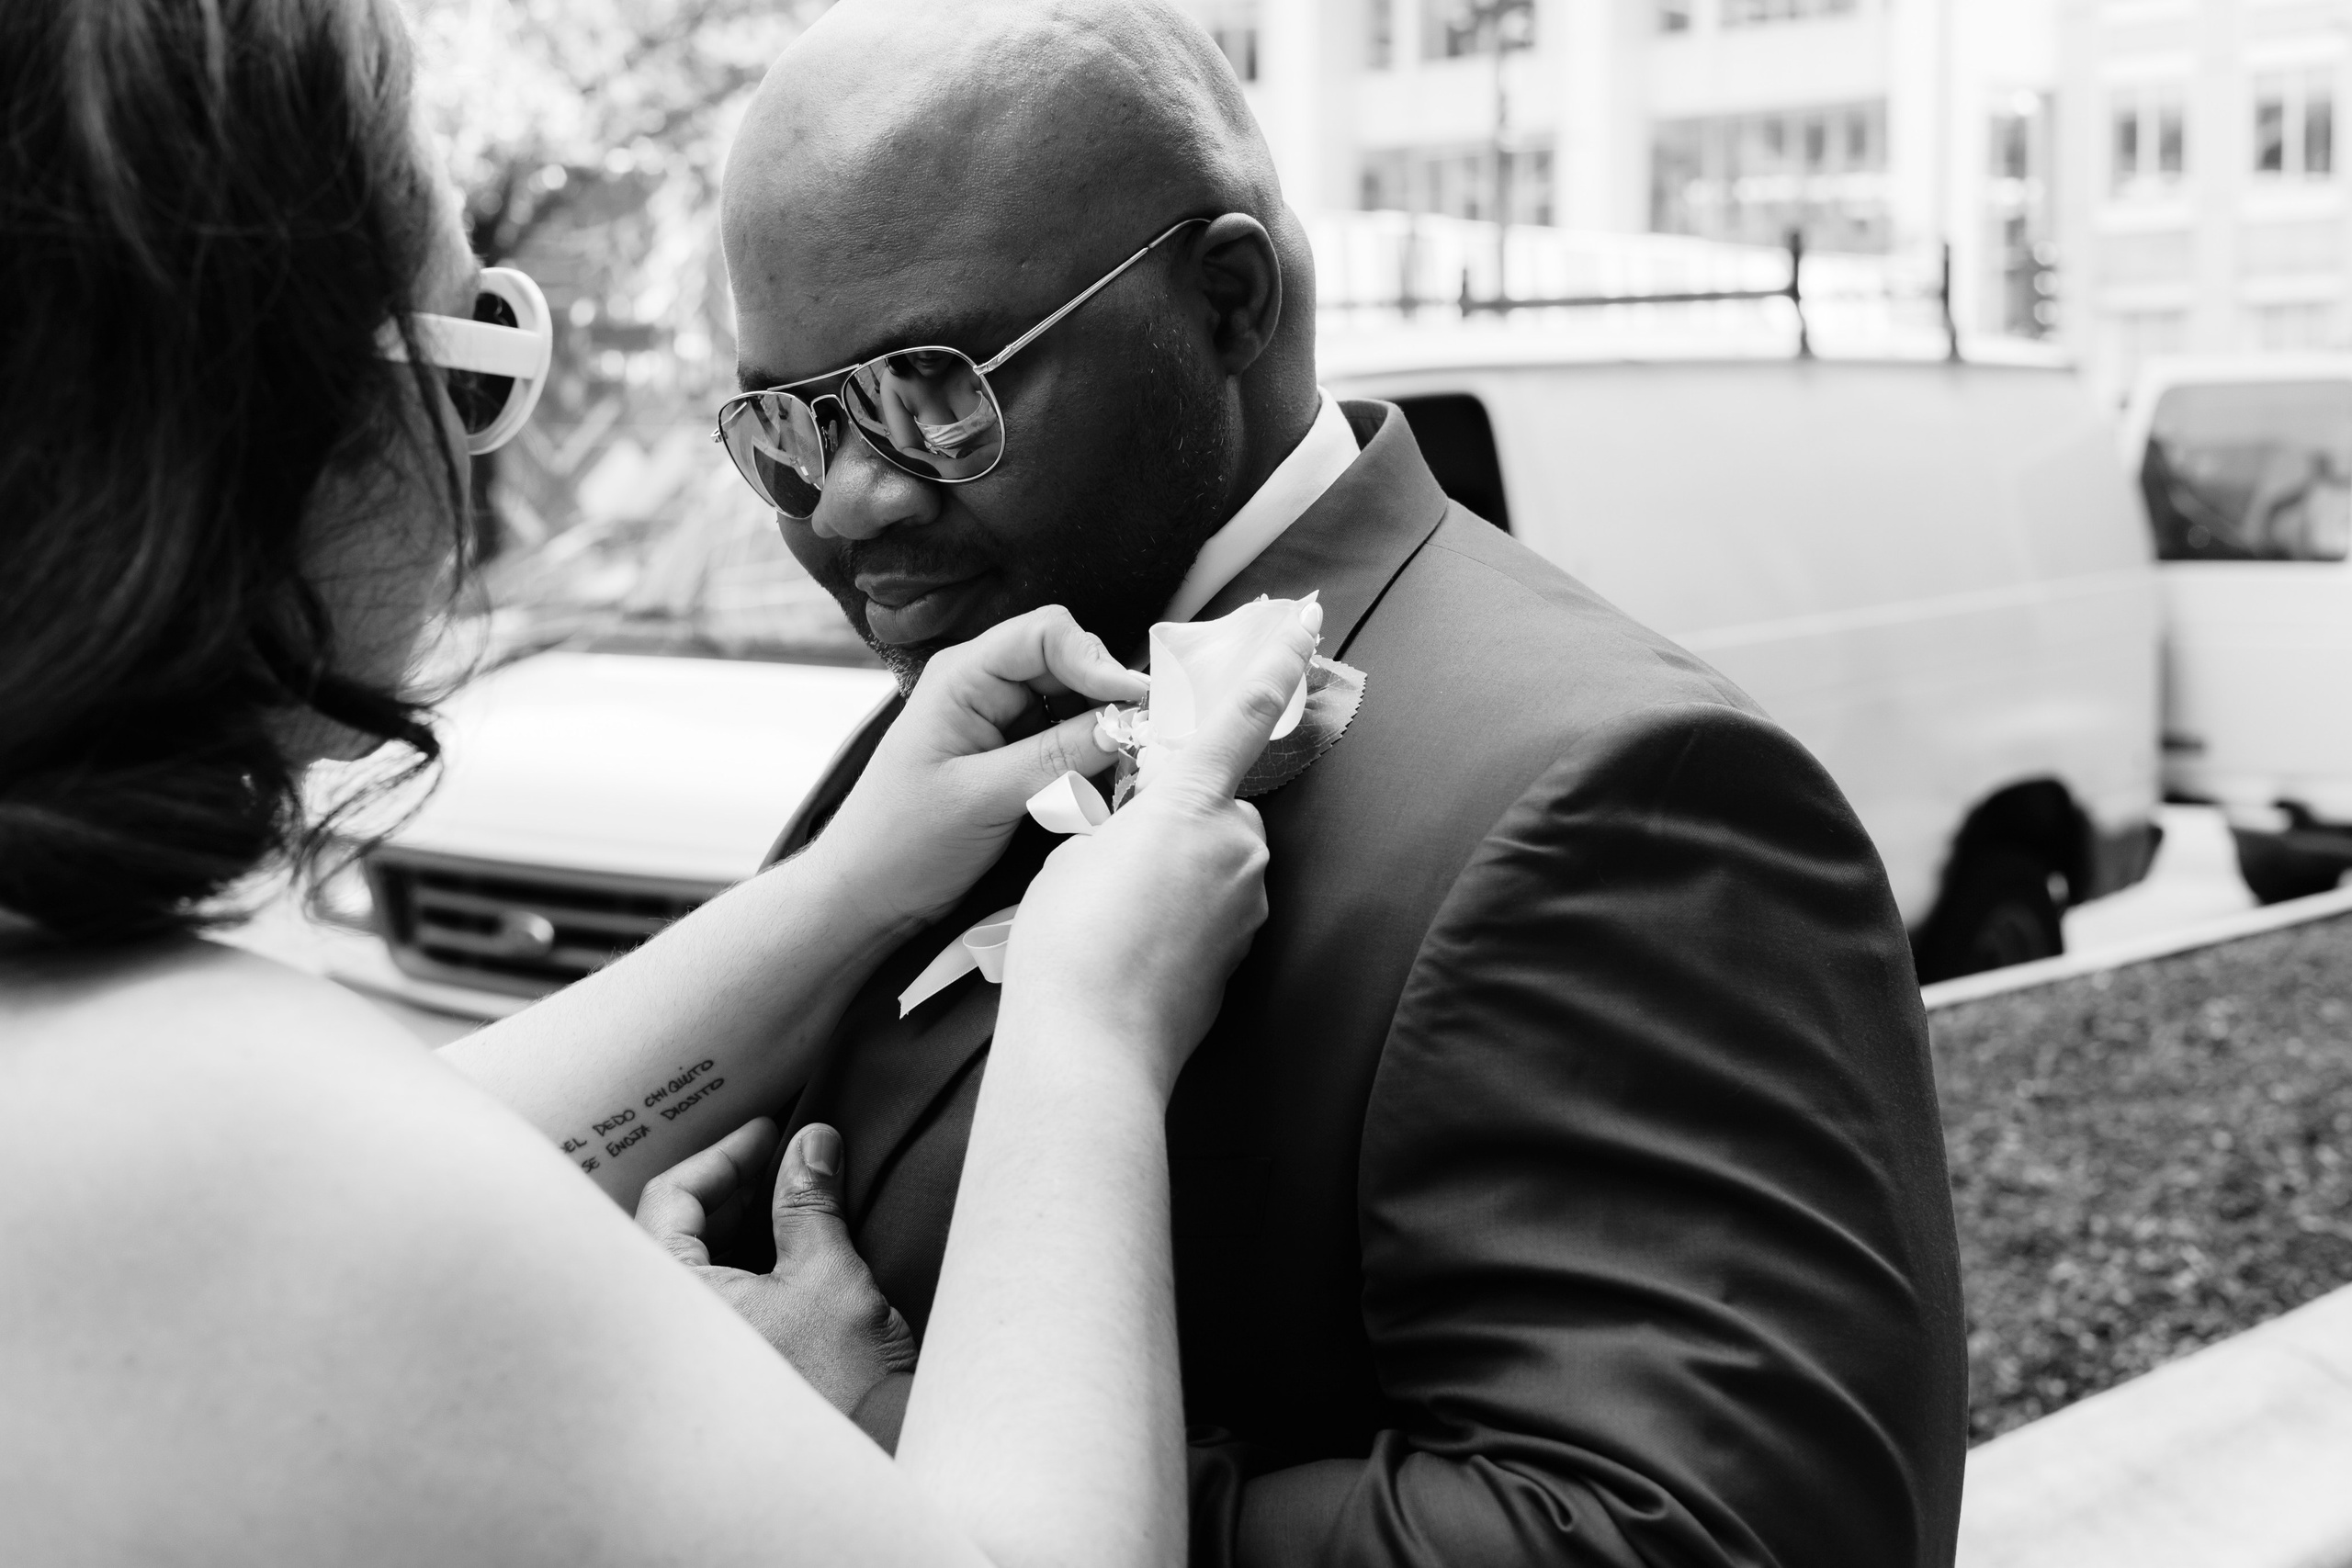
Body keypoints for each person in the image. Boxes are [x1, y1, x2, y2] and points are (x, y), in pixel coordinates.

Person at [0, 0, 1318, 1562]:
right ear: (259, 425)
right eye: (479, 361)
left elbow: (449, 1131)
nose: (849, 503)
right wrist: (1086, 1028)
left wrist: (853, 884)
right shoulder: (232, 1148)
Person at [707, 2, 1970, 1565]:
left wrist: (879, 1449)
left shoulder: (1619, 797)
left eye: (933, 393)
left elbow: (1708, 1536)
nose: (849, 503)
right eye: (790, 424)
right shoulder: (962, 699)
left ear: (1227, 302)